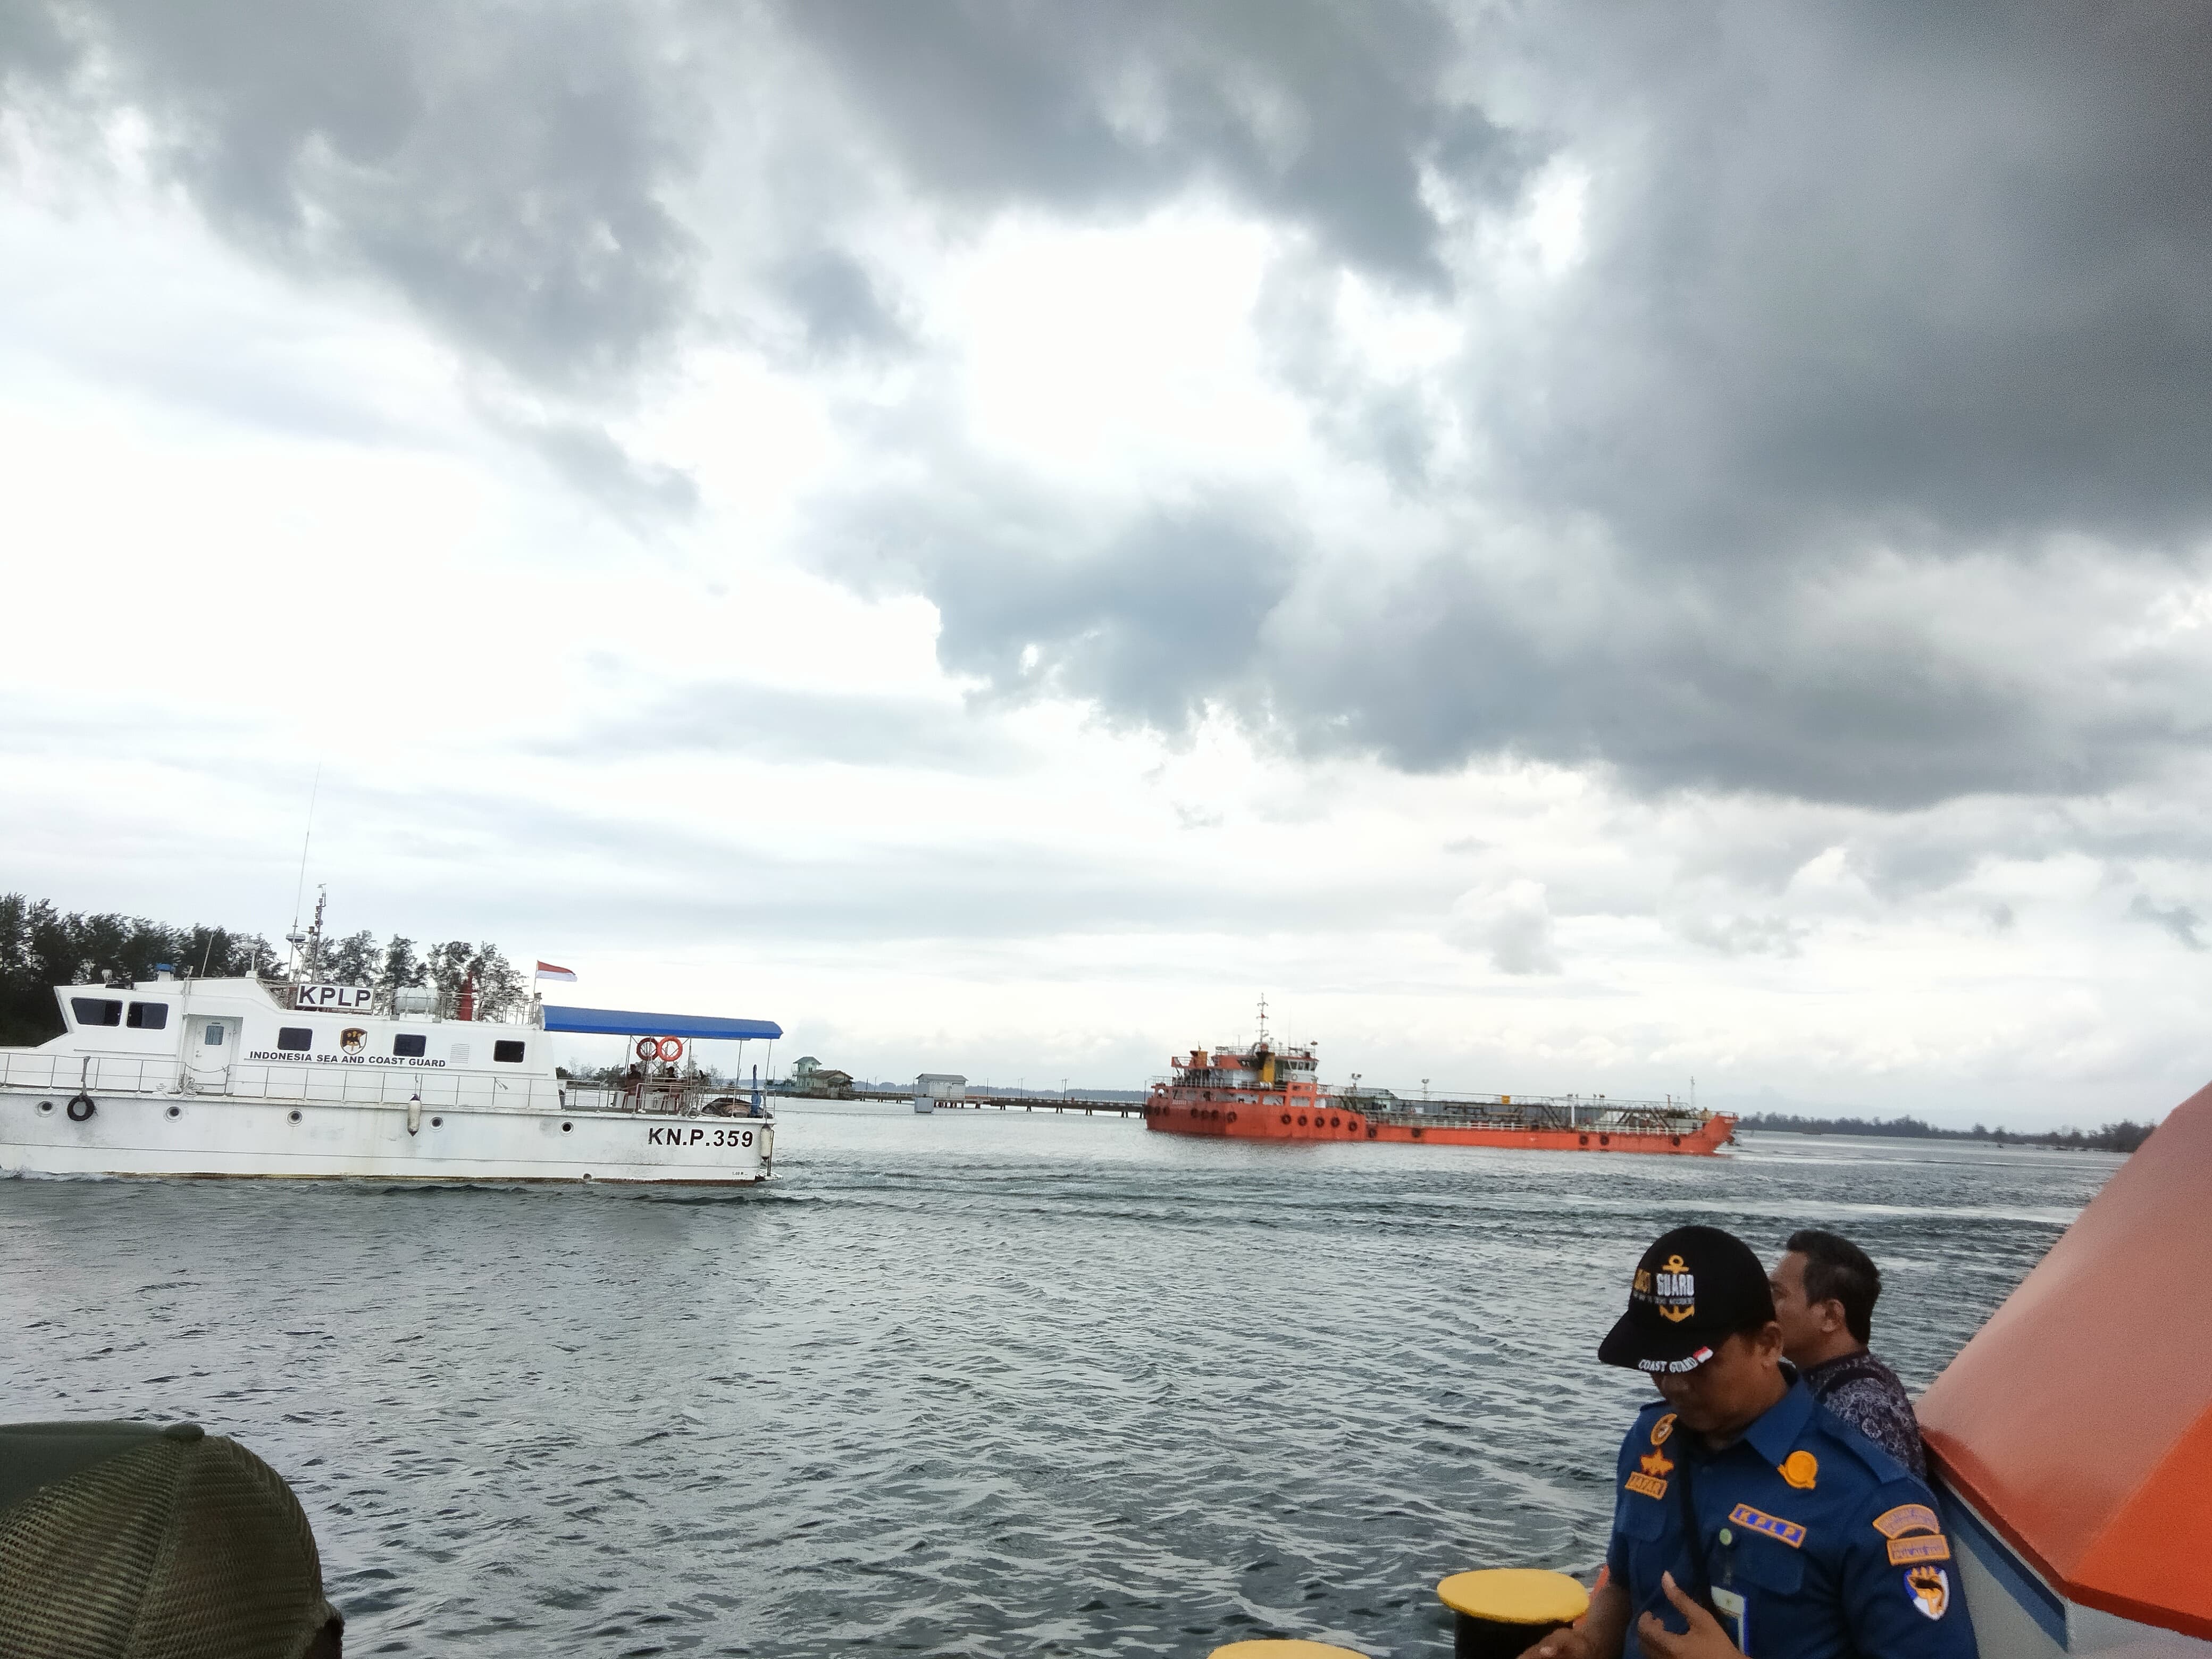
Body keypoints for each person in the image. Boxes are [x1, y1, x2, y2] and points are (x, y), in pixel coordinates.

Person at [1523, 1225, 1976, 1659]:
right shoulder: (1650, 1441)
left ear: (1767, 1344)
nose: (1672, 1385)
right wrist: (1591, 1645)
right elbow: (1623, 1582)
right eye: (1658, 1364)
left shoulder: (1874, 1503)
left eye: (1695, 1366)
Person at [1769, 1229, 1926, 1479]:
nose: (1764, 1307)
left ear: (1830, 1316)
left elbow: (1886, 1510)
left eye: (1778, 1295)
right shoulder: (1824, 1384)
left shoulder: (1863, 1407)